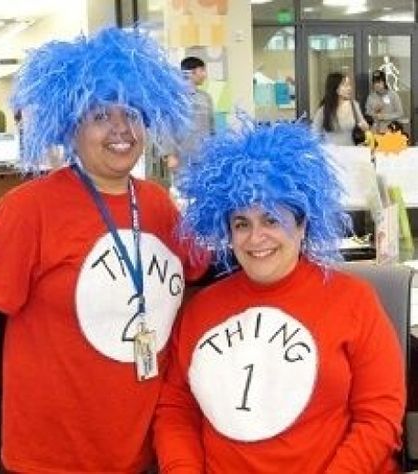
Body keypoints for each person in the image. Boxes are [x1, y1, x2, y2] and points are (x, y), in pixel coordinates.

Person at [0, 26, 208, 473]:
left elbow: (198, 274)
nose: (120, 129)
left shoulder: (155, 202)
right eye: (99, 115)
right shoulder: (30, 207)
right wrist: (41, 360)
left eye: (131, 113)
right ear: (71, 127)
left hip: (142, 442)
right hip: (55, 451)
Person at [154, 118, 405, 473]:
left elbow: (379, 417)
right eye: (241, 223)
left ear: (303, 225)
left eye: (271, 220)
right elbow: (176, 411)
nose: (256, 238)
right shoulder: (202, 310)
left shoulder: (353, 300)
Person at [162, 56, 215, 171]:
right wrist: (170, 155)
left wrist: (214, 149)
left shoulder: (206, 98)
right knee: (182, 187)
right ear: (192, 72)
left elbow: (212, 128)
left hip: (204, 156)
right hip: (182, 157)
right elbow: (166, 127)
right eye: (202, 70)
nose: (205, 75)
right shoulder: (174, 98)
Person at [312, 72, 368, 146]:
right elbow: (315, 134)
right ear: (336, 89)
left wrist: (363, 126)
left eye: (349, 85)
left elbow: (364, 125)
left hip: (350, 152)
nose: (349, 88)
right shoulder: (324, 110)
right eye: (345, 85)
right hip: (330, 154)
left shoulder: (354, 105)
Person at [366, 69, 403, 134]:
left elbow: (400, 113)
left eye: (379, 82)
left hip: (390, 132)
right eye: (374, 82)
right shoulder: (370, 97)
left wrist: (384, 116)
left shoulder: (393, 95)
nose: (376, 85)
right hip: (375, 132)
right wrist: (374, 113)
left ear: (384, 82)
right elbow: (367, 114)